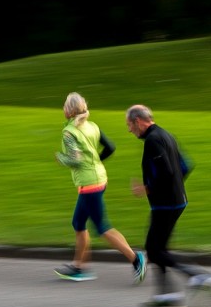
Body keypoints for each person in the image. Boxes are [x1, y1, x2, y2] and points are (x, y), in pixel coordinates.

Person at [126, 104, 211, 307]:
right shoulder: (167, 135)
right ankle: (168, 295)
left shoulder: (152, 140)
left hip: (166, 204)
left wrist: (147, 188)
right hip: (175, 201)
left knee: (154, 249)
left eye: (130, 125)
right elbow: (185, 165)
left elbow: (167, 171)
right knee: (159, 247)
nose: (129, 130)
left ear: (138, 121)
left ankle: (199, 276)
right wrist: (176, 186)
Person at [53, 92, 147, 284]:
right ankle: (79, 267)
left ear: (70, 111)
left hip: (90, 185)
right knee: (78, 223)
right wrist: (96, 162)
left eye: (64, 106)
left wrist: (60, 158)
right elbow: (110, 147)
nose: (63, 109)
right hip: (99, 179)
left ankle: (136, 259)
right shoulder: (92, 126)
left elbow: (75, 159)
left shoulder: (69, 132)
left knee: (102, 227)